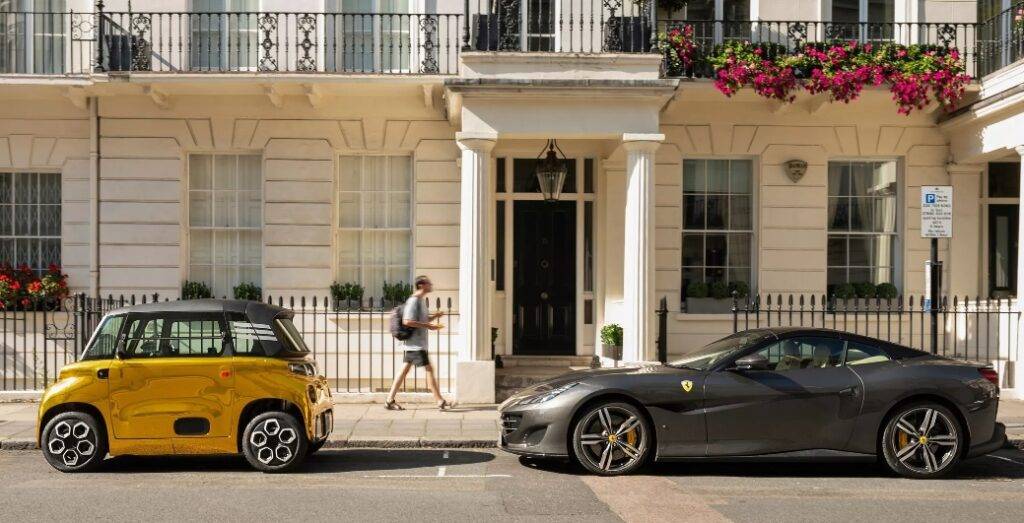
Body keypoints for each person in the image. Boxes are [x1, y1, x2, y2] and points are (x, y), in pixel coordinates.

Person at [384, 275, 449, 410]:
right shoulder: (413, 301)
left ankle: (389, 400)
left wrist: (435, 317)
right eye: (428, 283)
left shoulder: (420, 301)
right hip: (415, 344)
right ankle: (440, 401)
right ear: (421, 285)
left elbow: (423, 319)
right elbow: (407, 321)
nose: (431, 284)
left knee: (404, 371)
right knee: (429, 370)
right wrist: (429, 326)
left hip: (416, 344)